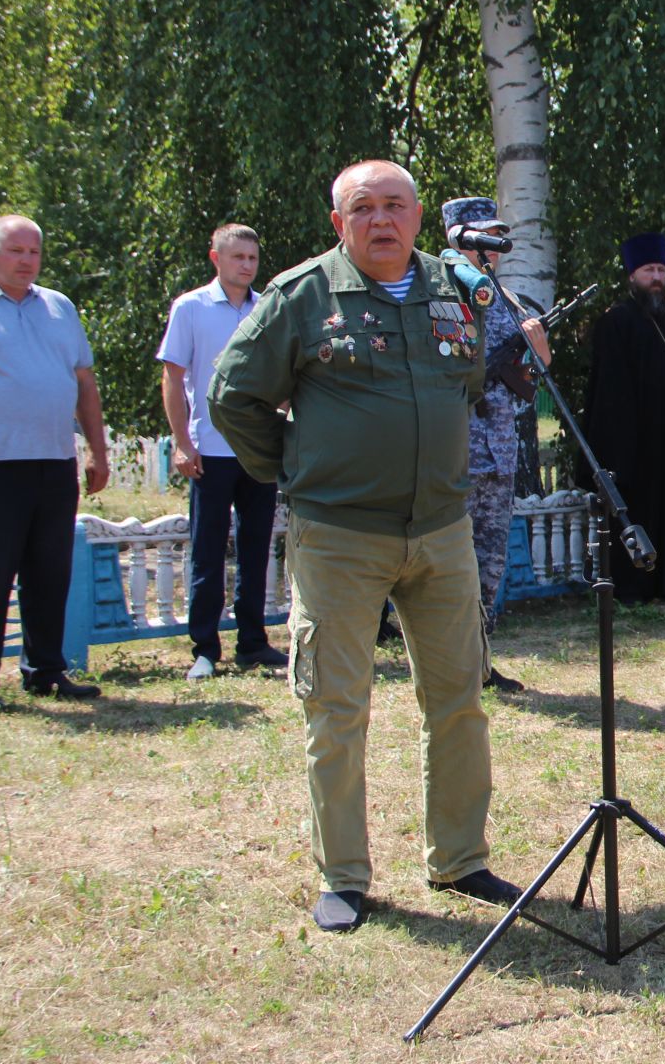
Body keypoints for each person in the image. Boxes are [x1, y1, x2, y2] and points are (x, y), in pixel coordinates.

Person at [208, 160, 518, 933]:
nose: (382, 220)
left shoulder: (457, 290)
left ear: (417, 216)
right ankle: (344, 876)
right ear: (338, 222)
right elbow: (232, 394)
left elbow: (467, 383)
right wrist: (298, 470)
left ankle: (460, 859)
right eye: (364, 209)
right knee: (336, 708)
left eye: (395, 206)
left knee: (459, 700)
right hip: (340, 536)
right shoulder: (303, 293)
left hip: (442, 533)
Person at [0, 214, 109, 711]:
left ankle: (45, 671)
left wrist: (97, 449)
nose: (27, 261)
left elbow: (83, 383)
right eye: (16, 251)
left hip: (53, 461)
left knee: (50, 574)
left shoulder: (59, 306)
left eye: (34, 252)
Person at [156, 223, 286, 680]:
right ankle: (205, 649)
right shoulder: (191, 308)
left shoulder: (267, 307)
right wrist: (182, 442)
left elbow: (280, 372)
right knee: (208, 552)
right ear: (216, 258)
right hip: (209, 449)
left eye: (252, 258)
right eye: (238, 258)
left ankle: (253, 642)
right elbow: (174, 379)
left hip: (257, 450)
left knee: (255, 550)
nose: (247, 266)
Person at [431, 199, 541, 696]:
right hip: (455, 453)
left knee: (489, 565)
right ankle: (446, 665)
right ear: (459, 239)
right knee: (447, 568)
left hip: (499, 452)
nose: (493, 247)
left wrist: (537, 351)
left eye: (498, 236)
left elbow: (534, 380)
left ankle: (480, 662)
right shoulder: (436, 295)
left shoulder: (511, 301)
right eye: (483, 236)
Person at [583, 231, 665, 603]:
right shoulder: (615, 322)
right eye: (648, 270)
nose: (656, 277)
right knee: (641, 510)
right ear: (631, 277)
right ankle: (636, 587)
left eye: (660, 269)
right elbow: (609, 393)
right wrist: (619, 451)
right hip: (636, 442)